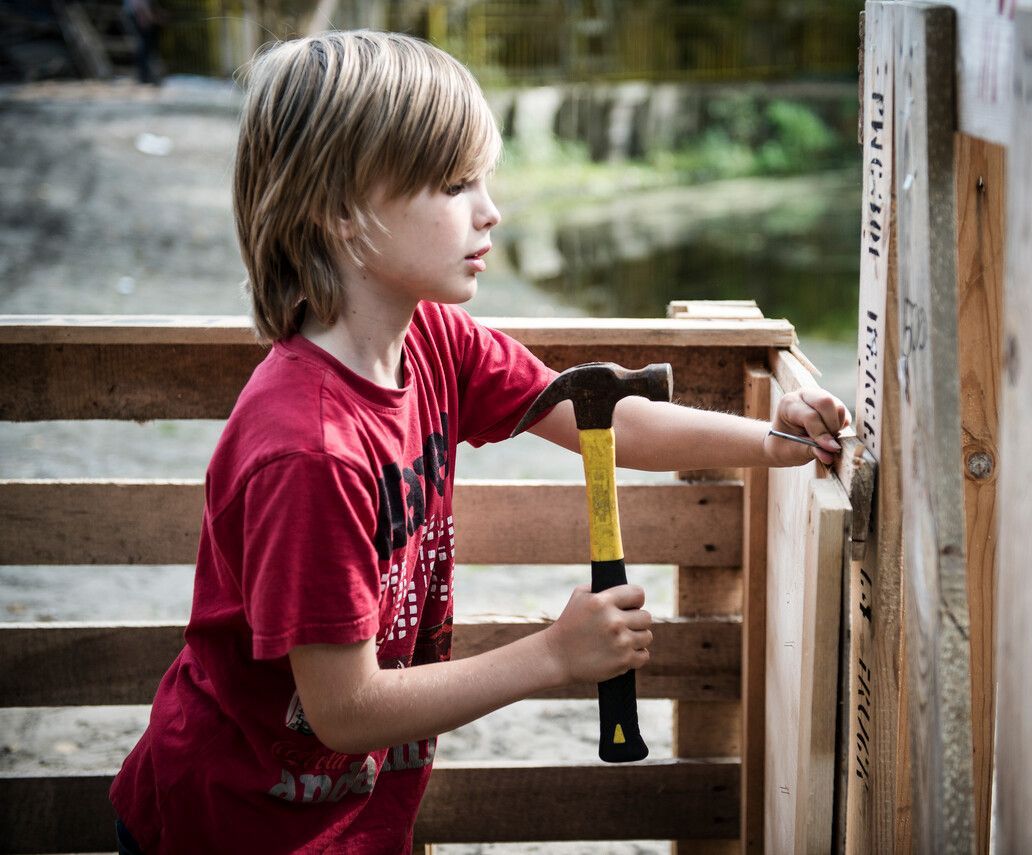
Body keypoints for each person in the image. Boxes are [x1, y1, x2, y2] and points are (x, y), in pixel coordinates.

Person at [108, 30, 849, 854]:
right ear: (342, 212)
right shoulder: (308, 450)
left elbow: (606, 417)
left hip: (347, 817)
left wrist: (777, 437)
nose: (490, 210)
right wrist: (553, 655)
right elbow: (345, 709)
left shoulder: (433, 341)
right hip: (229, 826)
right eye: (457, 184)